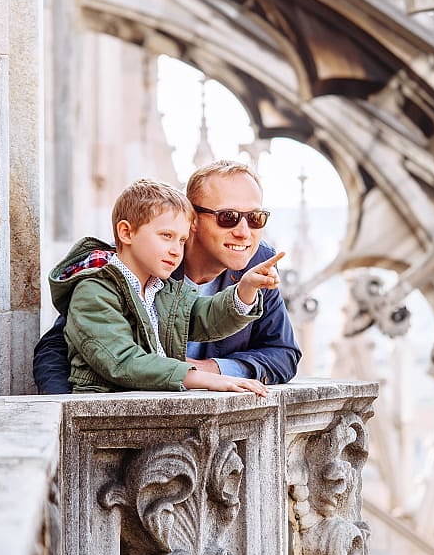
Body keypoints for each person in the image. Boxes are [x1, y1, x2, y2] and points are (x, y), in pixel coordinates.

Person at [34, 160, 301, 393]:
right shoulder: (139, 263)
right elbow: (59, 348)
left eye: (255, 218)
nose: (244, 232)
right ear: (192, 219)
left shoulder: (259, 262)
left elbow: (283, 354)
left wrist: (213, 370)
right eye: (227, 217)